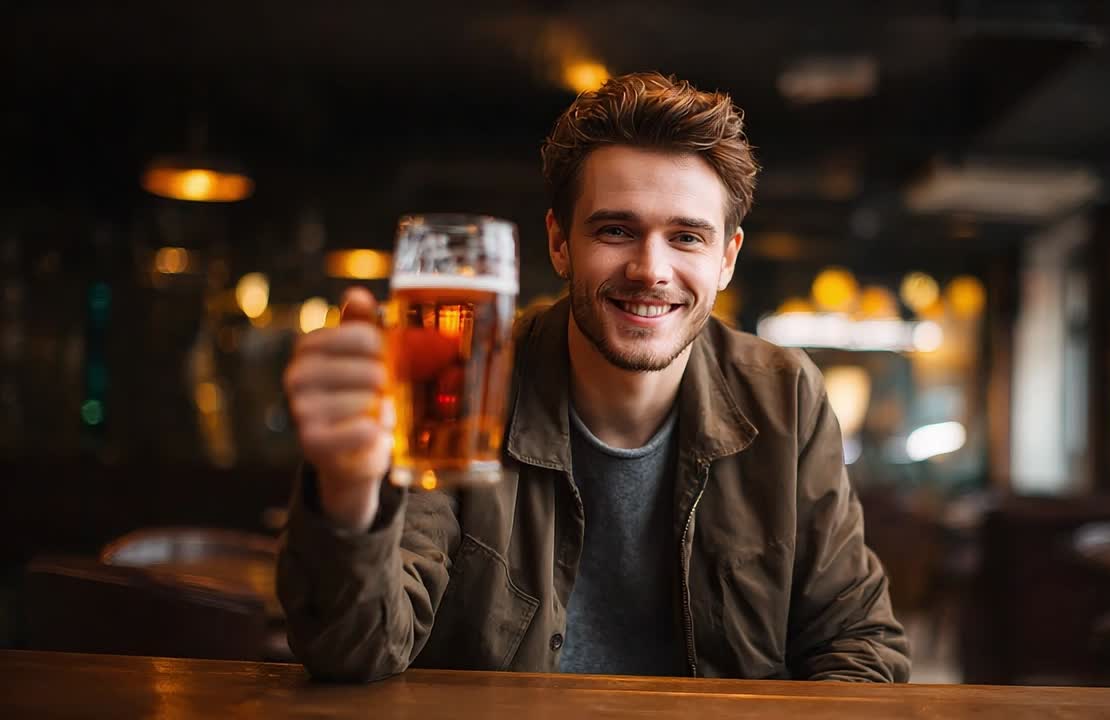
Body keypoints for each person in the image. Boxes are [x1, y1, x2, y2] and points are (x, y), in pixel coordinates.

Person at [278, 72, 910, 683]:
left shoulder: (785, 395)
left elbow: (857, 642)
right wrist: (349, 493)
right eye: (615, 230)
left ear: (727, 259)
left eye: (686, 237)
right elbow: (351, 650)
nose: (650, 269)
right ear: (559, 243)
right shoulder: (463, 386)